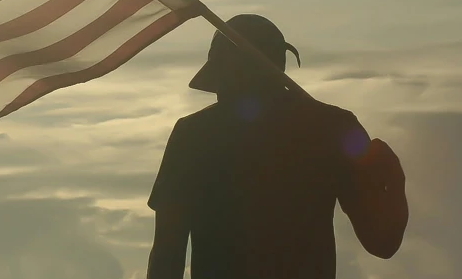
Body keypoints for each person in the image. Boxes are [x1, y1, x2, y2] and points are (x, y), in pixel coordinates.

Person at [146, 14, 408, 279]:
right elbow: (382, 241)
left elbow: (167, 254)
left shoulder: (192, 134)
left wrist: (391, 177)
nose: (218, 92)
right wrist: (393, 179)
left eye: (220, 79)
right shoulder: (334, 128)